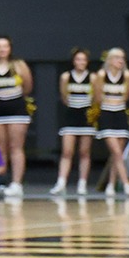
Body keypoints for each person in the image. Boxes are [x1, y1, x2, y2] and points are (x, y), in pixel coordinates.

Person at [0, 36, 33, 198]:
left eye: (5, 46)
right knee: (0, 148)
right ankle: (0, 182)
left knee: (16, 147)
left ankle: (17, 184)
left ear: (10, 48)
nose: (2, 49)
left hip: (16, 108)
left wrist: (14, 97)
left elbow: (28, 86)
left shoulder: (19, 65)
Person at [50, 48, 97, 197]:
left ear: (87, 61)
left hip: (86, 115)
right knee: (67, 152)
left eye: (83, 59)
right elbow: (64, 97)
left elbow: (96, 97)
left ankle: (82, 183)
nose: (81, 62)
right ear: (73, 61)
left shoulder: (93, 77)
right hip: (71, 115)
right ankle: (61, 182)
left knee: (84, 152)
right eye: (78, 59)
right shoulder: (65, 77)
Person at [94, 47, 129, 196]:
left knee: (117, 154)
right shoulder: (101, 75)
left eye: (122, 58)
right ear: (109, 60)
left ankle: (111, 184)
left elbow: (126, 96)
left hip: (121, 114)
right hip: (106, 114)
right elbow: (98, 98)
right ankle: (126, 183)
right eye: (117, 57)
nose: (121, 60)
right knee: (116, 152)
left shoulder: (128, 75)